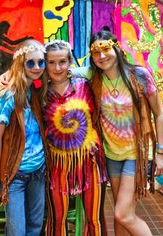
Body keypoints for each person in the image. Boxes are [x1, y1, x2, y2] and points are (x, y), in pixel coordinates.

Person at [73, 28, 163, 236]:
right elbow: (61, 69)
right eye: (96, 52)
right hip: (111, 154)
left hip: (137, 152)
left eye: (106, 49)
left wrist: (161, 152)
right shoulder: (91, 76)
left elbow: (159, 114)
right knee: (120, 212)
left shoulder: (139, 75)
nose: (102, 56)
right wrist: (10, 72)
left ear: (117, 48)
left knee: (123, 214)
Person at [42, 40, 108, 236]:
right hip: (57, 165)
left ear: (70, 62)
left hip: (89, 161)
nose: (57, 67)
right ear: (45, 63)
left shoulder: (86, 86)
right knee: (56, 220)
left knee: (94, 219)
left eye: (62, 61)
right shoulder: (40, 93)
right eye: (51, 62)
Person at [0, 39, 49, 235]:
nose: (37, 67)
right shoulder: (8, 94)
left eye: (41, 62)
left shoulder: (36, 92)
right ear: (21, 63)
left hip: (38, 172)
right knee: (17, 231)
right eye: (31, 63)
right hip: (15, 176)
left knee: (35, 227)